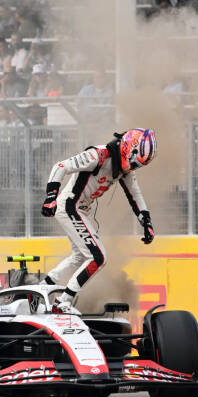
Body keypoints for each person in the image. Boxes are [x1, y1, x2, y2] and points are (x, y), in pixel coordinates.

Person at [39, 128, 157, 314]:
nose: (134, 167)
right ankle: (63, 301)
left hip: (80, 210)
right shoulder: (98, 156)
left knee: (80, 257)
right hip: (70, 206)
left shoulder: (123, 169)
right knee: (98, 257)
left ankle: (41, 288)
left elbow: (135, 194)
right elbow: (60, 167)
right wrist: (50, 197)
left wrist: (146, 221)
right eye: (135, 163)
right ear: (129, 149)